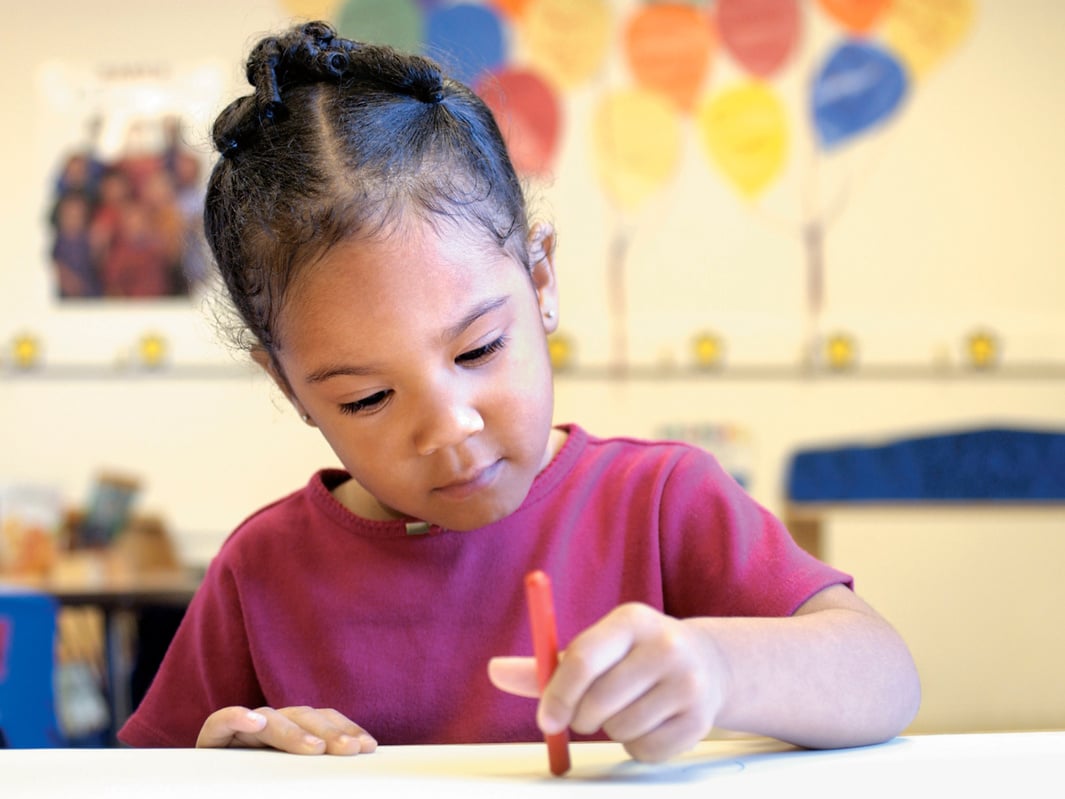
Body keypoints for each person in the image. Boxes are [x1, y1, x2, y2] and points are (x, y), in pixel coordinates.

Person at [118, 21, 919, 763]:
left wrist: (717, 666)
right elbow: (140, 776)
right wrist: (222, 764)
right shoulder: (260, 571)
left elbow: (884, 677)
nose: (449, 427)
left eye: (479, 348)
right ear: (287, 387)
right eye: (365, 398)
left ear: (540, 282)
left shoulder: (660, 502)